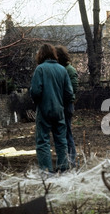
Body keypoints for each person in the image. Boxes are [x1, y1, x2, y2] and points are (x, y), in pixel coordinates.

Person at [30, 43, 74, 173]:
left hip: (44, 110)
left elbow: (36, 91)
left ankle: (46, 170)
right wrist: (61, 104)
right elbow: (69, 93)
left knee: (43, 141)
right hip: (59, 110)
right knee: (61, 140)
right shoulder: (62, 70)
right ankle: (64, 168)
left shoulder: (40, 69)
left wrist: (35, 99)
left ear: (41, 55)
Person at [55, 45, 79, 168]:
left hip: (66, 106)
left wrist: (65, 100)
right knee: (64, 133)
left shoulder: (69, 70)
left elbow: (73, 88)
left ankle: (72, 160)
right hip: (63, 105)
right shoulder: (62, 69)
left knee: (67, 133)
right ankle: (67, 160)